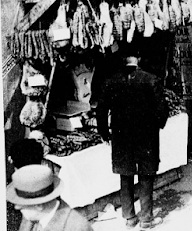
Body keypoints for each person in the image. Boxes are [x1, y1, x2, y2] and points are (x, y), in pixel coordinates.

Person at [96, 49, 169, 230]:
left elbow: (101, 110)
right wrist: (158, 125)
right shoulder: (151, 79)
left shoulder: (111, 81)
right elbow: (162, 109)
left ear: (123, 60)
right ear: (139, 58)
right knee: (146, 175)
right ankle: (146, 219)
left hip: (121, 135)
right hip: (146, 135)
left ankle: (129, 217)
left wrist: (105, 133)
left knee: (126, 175)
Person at [6, 164, 93, 231]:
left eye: (22, 207)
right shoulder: (32, 216)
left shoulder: (76, 227)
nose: (16, 207)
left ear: (38, 205)